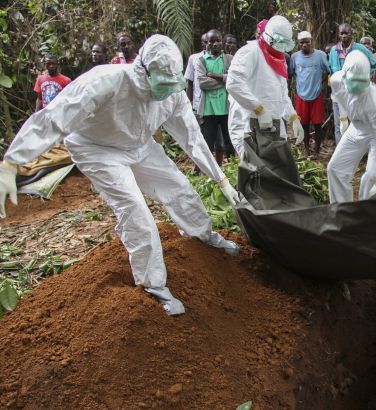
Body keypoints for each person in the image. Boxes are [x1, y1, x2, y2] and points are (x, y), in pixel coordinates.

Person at [0, 35, 241, 316]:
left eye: (170, 85)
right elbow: (54, 118)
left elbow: (192, 138)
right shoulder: (106, 81)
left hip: (140, 145)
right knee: (135, 208)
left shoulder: (172, 93)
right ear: (144, 69)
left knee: (179, 187)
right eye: (160, 84)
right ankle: (153, 284)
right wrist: (12, 163)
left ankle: (203, 234)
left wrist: (220, 179)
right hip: (97, 149)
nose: (165, 91)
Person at [226, 15, 304, 157]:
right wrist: (259, 109)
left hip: (273, 124)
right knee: (253, 169)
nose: (281, 47)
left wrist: (293, 118)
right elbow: (233, 83)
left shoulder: (280, 60)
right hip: (249, 123)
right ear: (268, 36)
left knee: (275, 168)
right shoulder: (250, 52)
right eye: (279, 42)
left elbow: (282, 94)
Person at [327, 50, 376, 203]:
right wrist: (343, 120)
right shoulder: (336, 80)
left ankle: (365, 216)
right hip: (357, 126)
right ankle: (342, 211)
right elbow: (340, 98)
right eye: (353, 81)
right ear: (345, 75)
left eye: (361, 82)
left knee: (370, 180)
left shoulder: (375, 101)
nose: (357, 87)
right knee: (335, 168)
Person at [329, 23, 376, 144]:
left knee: (356, 124)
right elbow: (332, 70)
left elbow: (375, 63)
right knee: (339, 124)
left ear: (352, 34)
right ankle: (340, 153)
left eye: (347, 33)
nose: (344, 36)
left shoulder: (359, 48)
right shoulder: (334, 51)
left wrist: (362, 76)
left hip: (355, 94)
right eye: (342, 33)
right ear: (339, 35)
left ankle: (356, 153)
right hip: (339, 96)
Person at [195, 29, 235, 164]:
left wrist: (213, 75)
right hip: (209, 109)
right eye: (212, 41)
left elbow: (234, 79)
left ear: (222, 42)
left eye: (218, 40)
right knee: (208, 143)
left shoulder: (229, 59)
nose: (215, 44)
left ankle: (233, 170)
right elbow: (202, 83)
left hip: (226, 108)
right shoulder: (201, 60)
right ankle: (206, 171)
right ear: (207, 43)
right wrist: (224, 80)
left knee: (229, 142)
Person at [290, 31, 330, 157]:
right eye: (302, 42)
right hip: (301, 96)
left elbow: (327, 71)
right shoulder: (294, 57)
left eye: (307, 41)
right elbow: (292, 73)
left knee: (318, 125)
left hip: (317, 95)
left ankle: (317, 151)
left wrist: (320, 83)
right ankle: (307, 151)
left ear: (311, 41)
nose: (305, 44)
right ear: (298, 43)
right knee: (304, 125)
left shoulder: (320, 55)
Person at [185, 32, 208, 111]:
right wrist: (188, 104)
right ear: (202, 43)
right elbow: (190, 82)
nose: (208, 44)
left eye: (210, 41)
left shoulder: (221, 59)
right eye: (205, 42)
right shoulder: (193, 58)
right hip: (197, 104)